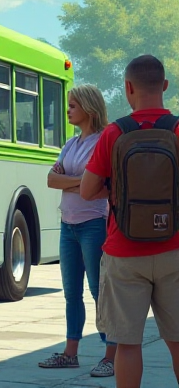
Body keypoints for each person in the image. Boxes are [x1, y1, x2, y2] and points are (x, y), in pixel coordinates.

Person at [81, 54, 179, 387]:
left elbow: (86, 189)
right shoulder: (178, 129)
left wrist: (114, 187)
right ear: (164, 86)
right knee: (178, 343)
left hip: (124, 251)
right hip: (174, 250)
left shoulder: (113, 133)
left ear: (127, 88)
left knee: (127, 344)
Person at [38, 84, 115, 377]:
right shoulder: (70, 144)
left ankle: (110, 354)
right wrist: (80, 181)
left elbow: (96, 186)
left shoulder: (102, 141)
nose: (68, 109)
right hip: (67, 226)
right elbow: (49, 180)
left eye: (72, 105)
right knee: (71, 293)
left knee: (99, 291)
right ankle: (71, 354)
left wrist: (69, 180)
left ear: (89, 108)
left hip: (93, 225)